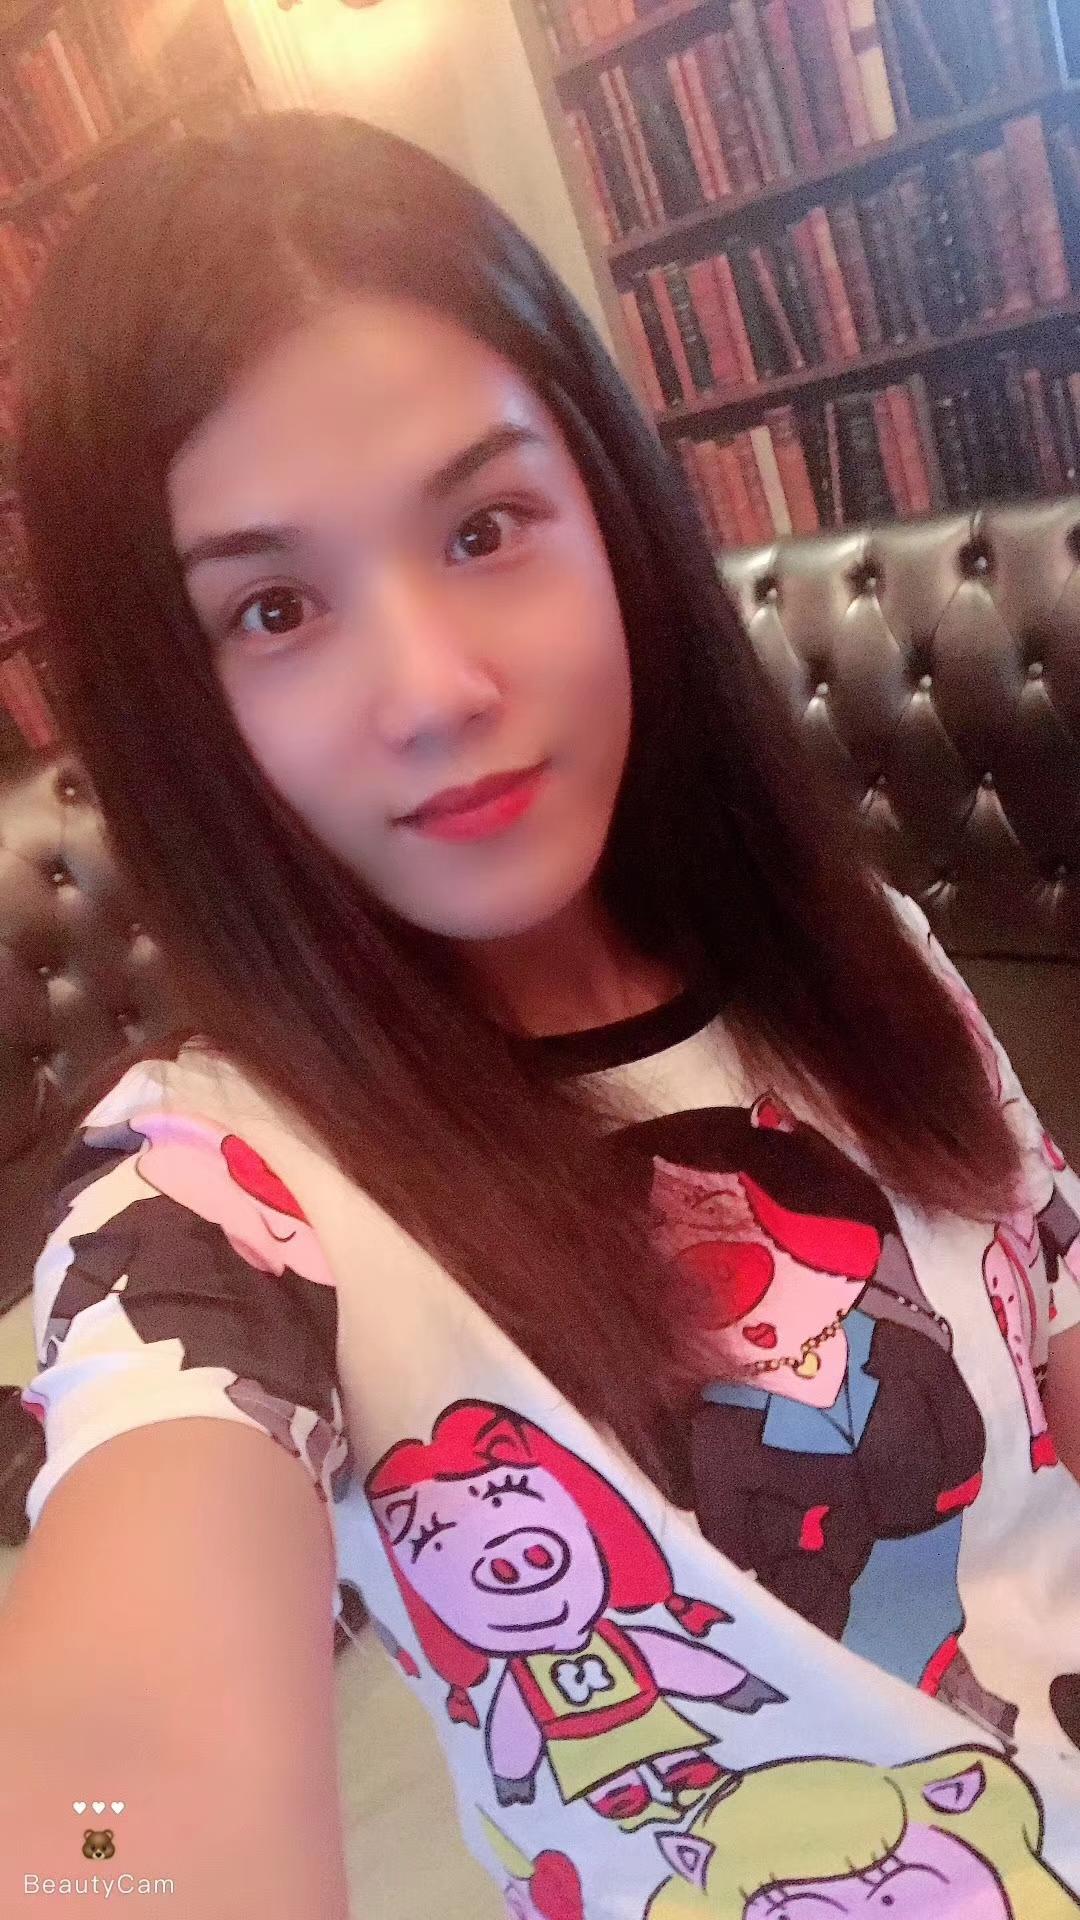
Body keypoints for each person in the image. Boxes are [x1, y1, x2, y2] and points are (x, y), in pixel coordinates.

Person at [1, 107, 1078, 1919]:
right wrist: (94, 1855)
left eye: (485, 526)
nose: (432, 687)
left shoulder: (869, 959)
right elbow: (109, 1808)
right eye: (275, 607)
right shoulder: (214, 1207)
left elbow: (1046, 1315)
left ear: (615, 518)